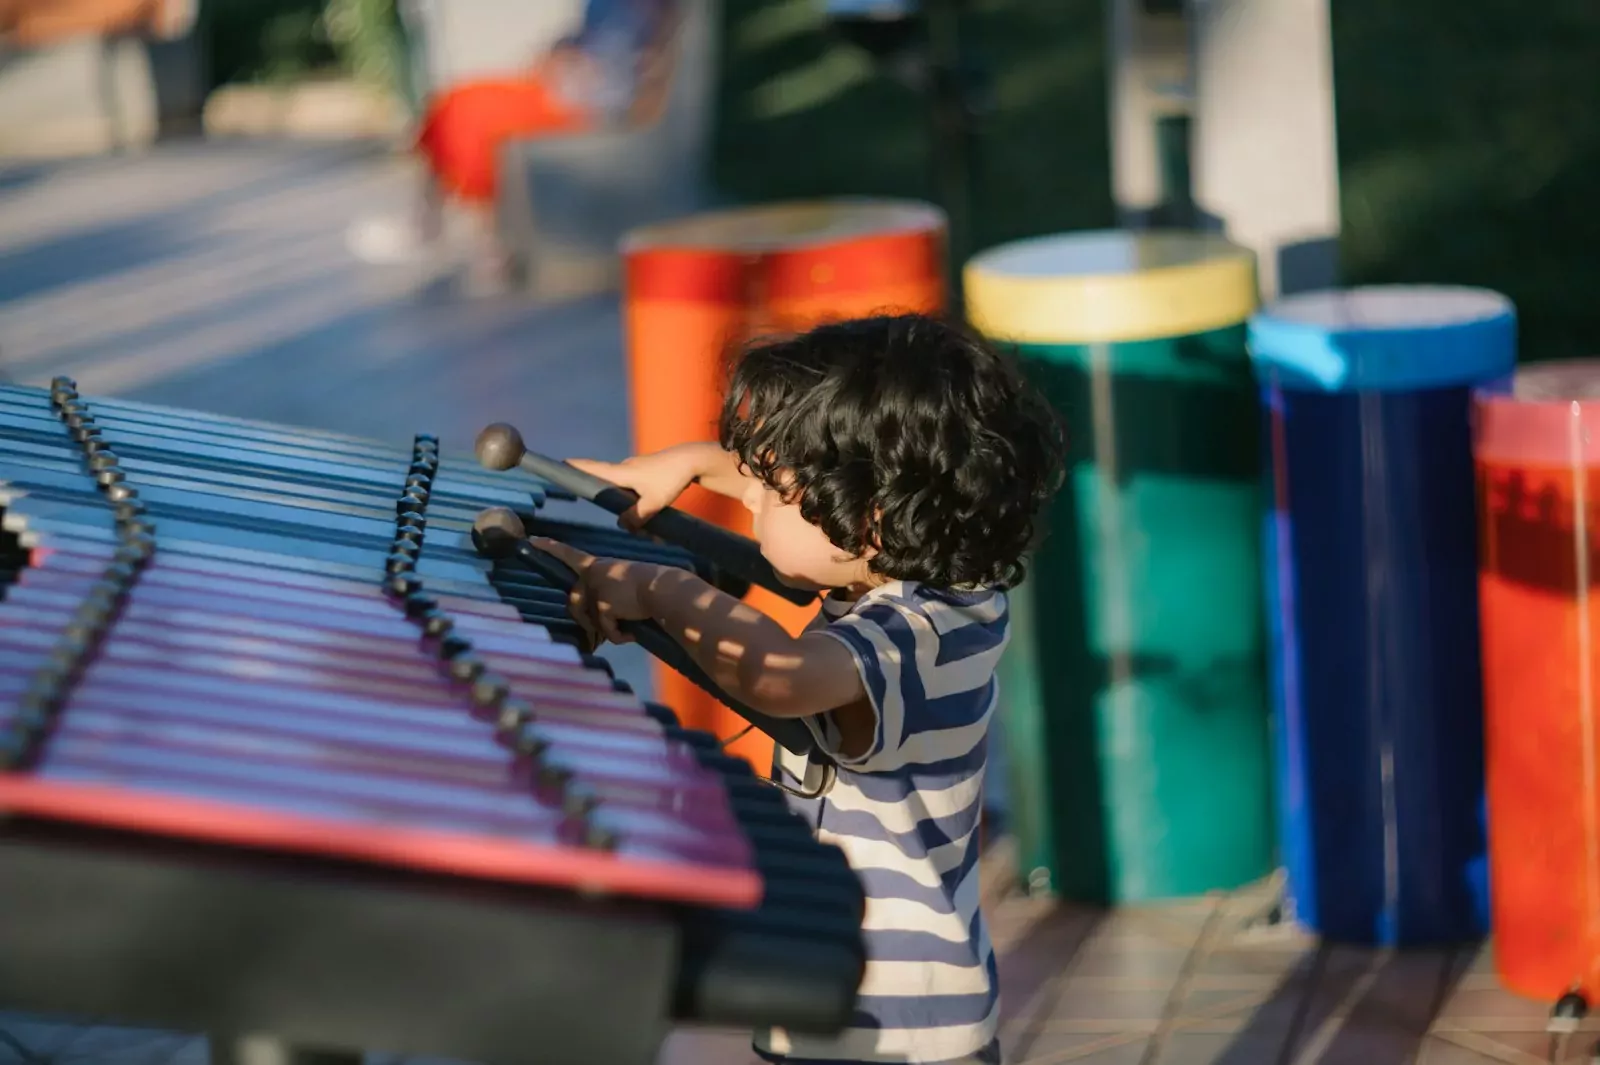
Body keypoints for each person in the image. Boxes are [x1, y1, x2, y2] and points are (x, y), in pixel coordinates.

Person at [533, 313, 1066, 1065]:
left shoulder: (918, 635)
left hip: (892, 1022)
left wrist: (660, 592)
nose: (751, 497)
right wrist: (686, 465)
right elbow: (822, 500)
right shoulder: (945, 579)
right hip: (837, 993)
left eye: (772, 490)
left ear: (867, 520)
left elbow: (778, 675)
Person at [346, 0, 680, 287]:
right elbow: (582, 38)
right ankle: (442, 227)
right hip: (558, 88)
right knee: (453, 103)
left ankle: (478, 241)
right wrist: (558, 52)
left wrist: (601, 79)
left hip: (591, 103)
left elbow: (651, 57)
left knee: (474, 117)